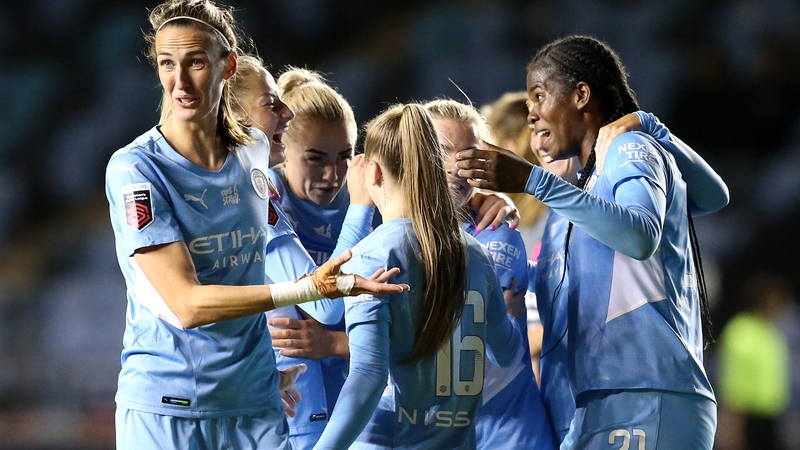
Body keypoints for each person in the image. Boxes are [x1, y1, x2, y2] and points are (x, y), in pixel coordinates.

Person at [104, 1, 406, 448]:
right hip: (170, 405)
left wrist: (262, 367)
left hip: (255, 402)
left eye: (197, 63)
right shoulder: (137, 170)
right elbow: (187, 304)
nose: (179, 82)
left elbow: (242, 270)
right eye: (168, 64)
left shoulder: (253, 156)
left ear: (227, 66)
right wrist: (308, 289)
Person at [456, 35, 729, 449]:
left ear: (581, 94)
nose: (531, 114)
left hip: (642, 396)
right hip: (587, 405)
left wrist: (653, 128)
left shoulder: (627, 147)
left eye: (539, 96)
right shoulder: (563, 213)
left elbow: (641, 234)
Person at [313, 104, 524, 449]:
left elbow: (367, 377)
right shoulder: (475, 253)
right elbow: (506, 352)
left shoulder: (373, 255)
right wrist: (509, 310)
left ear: (375, 173)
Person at [426, 98, 556, 450]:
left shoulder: (495, 231)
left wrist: (338, 345)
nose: (455, 166)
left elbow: (476, 341)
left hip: (508, 438)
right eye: (442, 150)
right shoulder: (391, 233)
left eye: (467, 154)